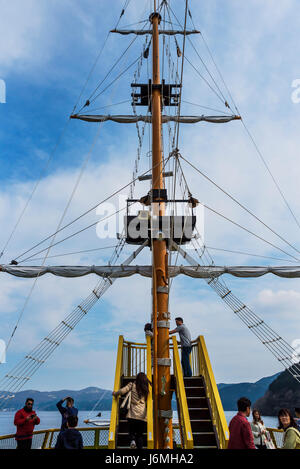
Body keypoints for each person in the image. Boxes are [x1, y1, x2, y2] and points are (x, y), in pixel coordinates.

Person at [112, 372, 151, 449]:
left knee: (131, 430)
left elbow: (122, 391)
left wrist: (115, 393)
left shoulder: (132, 385)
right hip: (142, 415)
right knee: (140, 434)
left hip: (132, 413)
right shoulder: (146, 388)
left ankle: (132, 441)